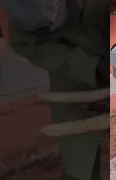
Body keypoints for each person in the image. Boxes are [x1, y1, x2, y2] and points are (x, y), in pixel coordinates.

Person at [2, 0, 109, 180]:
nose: (51, 22)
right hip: (70, 70)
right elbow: (43, 52)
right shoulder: (19, 33)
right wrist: (92, 68)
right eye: (43, 26)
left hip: (112, 40)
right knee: (77, 152)